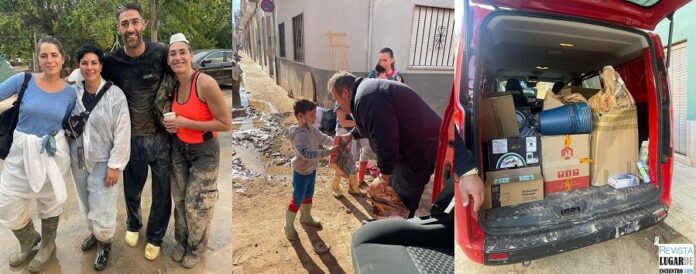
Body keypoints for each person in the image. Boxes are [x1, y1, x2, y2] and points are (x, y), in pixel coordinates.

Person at [328, 71, 482, 218]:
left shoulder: (367, 97)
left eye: (336, 98)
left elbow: (385, 137)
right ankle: (391, 229)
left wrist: (383, 176)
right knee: (391, 197)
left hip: (414, 155)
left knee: (399, 203)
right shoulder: (366, 92)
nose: (337, 104)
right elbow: (370, 125)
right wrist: (351, 135)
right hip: (407, 153)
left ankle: (398, 233)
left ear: (346, 93)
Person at [101, 3, 175, 260]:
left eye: (134, 22)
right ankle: (134, 224)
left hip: (162, 137)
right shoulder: (111, 62)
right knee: (132, 189)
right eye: (124, 24)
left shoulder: (161, 53)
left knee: (162, 192)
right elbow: (89, 78)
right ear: (119, 28)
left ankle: (156, 236)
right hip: (130, 139)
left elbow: (183, 74)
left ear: (143, 23)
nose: (130, 28)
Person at [0, 35, 77, 272]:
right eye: (44, 55)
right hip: (21, 151)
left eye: (54, 55)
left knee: (49, 200)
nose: (49, 60)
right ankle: (29, 239)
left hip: (52, 151)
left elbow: (66, 122)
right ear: (38, 58)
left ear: (62, 59)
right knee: (7, 201)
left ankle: (48, 245)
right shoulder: (23, 80)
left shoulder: (70, 93)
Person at [164, 33, 232, 268]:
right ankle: (181, 243)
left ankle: (196, 247)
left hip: (205, 151)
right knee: (180, 201)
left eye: (182, 52)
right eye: (172, 54)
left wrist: (184, 123)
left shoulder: (204, 83)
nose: (177, 57)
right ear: (168, 60)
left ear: (191, 56)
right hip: (179, 148)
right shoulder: (173, 85)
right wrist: (172, 125)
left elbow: (225, 124)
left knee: (198, 203)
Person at [68, 45, 131, 271]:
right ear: (79, 66)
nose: (89, 67)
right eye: (84, 63)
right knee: (85, 200)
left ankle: (105, 242)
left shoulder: (115, 95)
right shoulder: (72, 92)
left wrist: (115, 166)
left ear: (101, 66)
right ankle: (94, 233)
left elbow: (123, 132)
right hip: (79, 159)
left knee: (103, 204)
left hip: (105, 161)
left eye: (94, 62)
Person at [284, 98, 340, 240]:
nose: (315, 117)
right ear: (300, 116)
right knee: (297, 198)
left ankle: (306, 217)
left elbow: (322, 138)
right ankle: (288, 225)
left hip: (311, 170)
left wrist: (336, 142)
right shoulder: (299, 135)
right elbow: (306, 153)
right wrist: (328, 152)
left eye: (315, 114)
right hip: (301, 172)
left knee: (308, 195)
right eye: (312, 115)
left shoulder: (310, 128)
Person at [329, 104, 366, 198]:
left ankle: (353, 187)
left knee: (352, 159)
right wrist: (361, 123)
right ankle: (335, 187)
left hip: (353, 134)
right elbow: (343, 122)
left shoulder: (355, 100)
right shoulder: (340, 102)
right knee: (341, 161)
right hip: (343, 133)